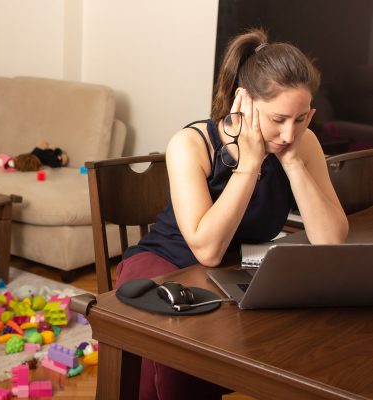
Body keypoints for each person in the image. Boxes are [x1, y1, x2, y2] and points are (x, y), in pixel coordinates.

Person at [115, 28, 349, 400]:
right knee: (178, 360)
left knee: (298, 342)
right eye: (278, 119)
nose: (289, 133)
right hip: (165, 264)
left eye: (302, 118)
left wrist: (294, 165)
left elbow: (331, 240)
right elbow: (206, 249)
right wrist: (250, 163)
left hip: (228, 274)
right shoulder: (191, 144)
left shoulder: (301, 144)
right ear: (246, 101)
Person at [0, 141, 68, 171]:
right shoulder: (53, 161)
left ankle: (11, 163)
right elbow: (43, 143)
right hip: (34, 159)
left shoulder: (37, 152)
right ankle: (12, 163)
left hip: (34, 158)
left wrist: (53, 148)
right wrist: (55, 150)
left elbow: (43, 143)